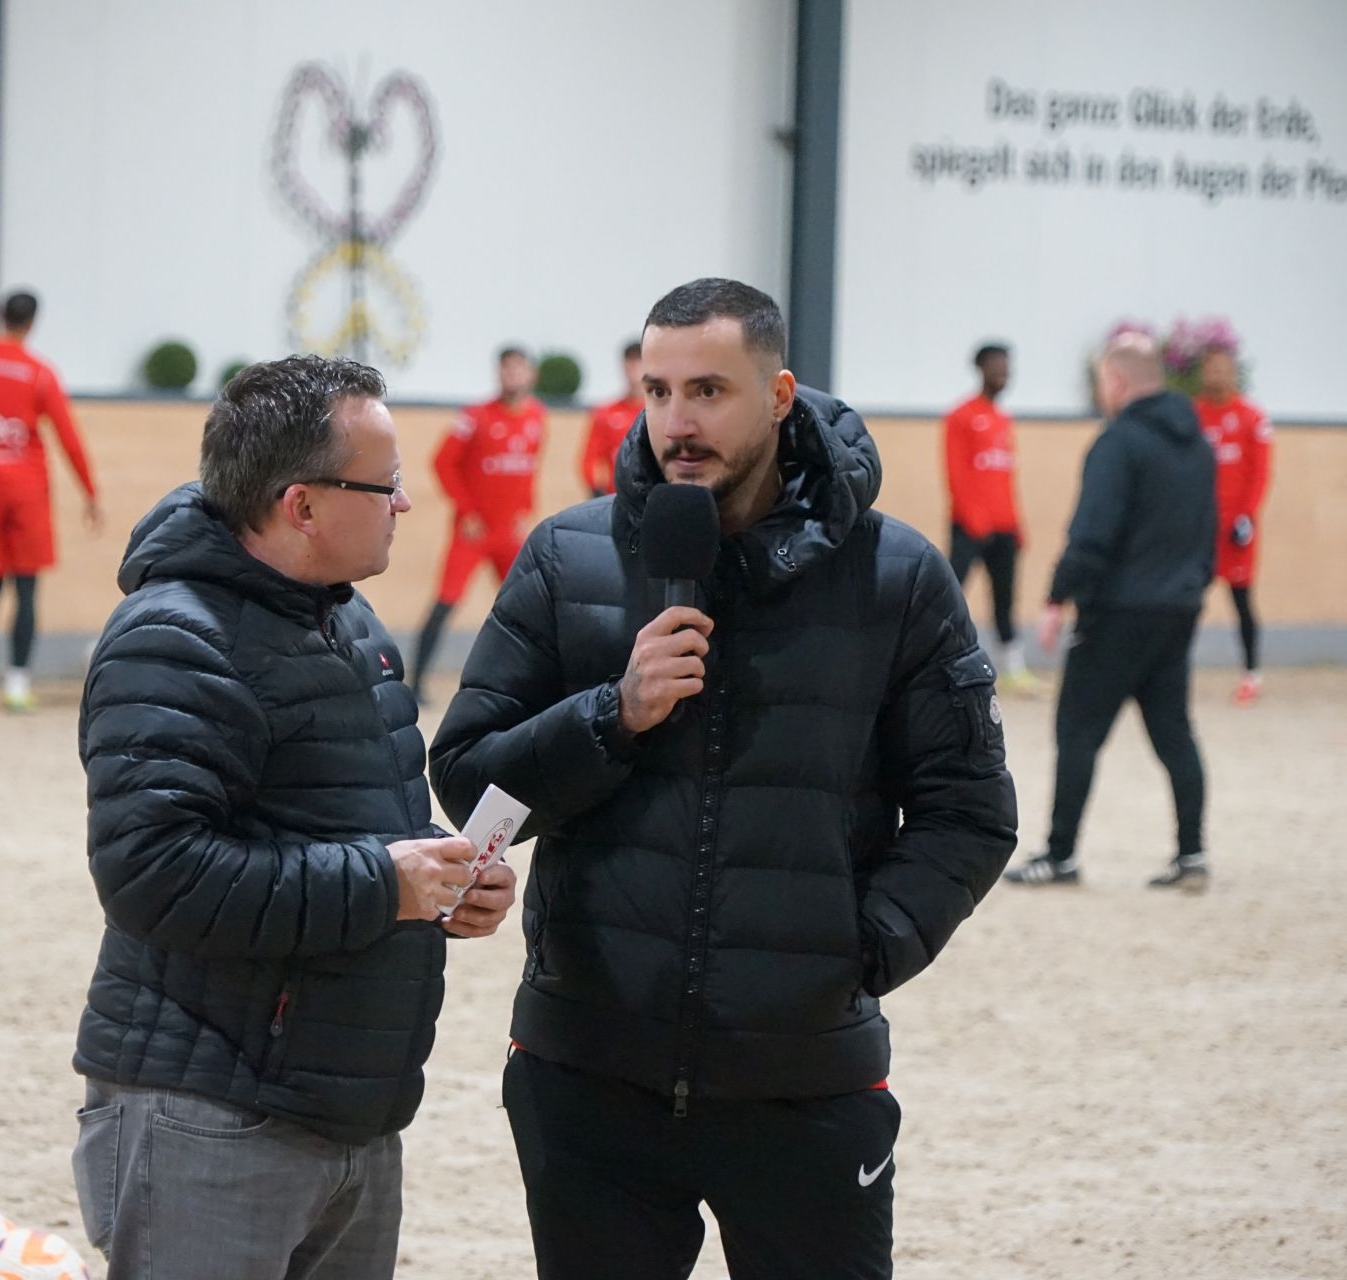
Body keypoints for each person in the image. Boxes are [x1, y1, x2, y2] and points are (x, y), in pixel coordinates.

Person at [430, 279, 1018, 1280]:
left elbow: (971, 809)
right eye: (657, 392)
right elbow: (470, 776)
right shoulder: (569, 557)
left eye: (708, 390)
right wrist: (612, 714)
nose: (677, 421)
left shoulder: (897, 575)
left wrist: (857, 949)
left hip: (806, 1078)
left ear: (780, 395)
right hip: (587, 1075)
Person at [69, 355, 517, 1280]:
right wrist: (385, 884)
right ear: (302, 504)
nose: (403, 503)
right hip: (210, 1109)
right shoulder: (174, 637)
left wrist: (442, 879)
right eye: (385, 485)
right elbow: (154, 875)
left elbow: (350, 826)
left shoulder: (350, 626)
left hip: (349, 1107)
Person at [1005, 333, 1218, 892]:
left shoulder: (1117, 443)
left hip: (1117, 612)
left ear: (1116, 381)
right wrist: (1191, 586)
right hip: (1177, 609)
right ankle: (1192, 853)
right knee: (1174, 732)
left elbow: (1092, 534)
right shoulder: (1199, 446)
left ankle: (1060, 856)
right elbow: (1209, 532)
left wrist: (1057, 597)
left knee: (1078, 730)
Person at [0, 289, 101, 713]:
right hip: (26, 492)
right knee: (26, 588)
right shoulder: (39, 373)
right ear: (31, 323)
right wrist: (89, 491)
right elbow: (67, 436)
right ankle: (16, 684)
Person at [408, 346, 546, 694]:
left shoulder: (536, 417)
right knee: (446, 601)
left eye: (518, 368)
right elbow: (442, 462)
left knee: (528, 607)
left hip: (509, 533)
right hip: (473, 533)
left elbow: (530, 468)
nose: (511, 375)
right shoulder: (474, 416)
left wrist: (525, 509)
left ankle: (532, 684)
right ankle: (417, 683)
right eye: (506, 368)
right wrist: (467, 512)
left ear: (531, 375)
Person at [945, 342, 1037, 693]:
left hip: (1004, 528)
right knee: (949, 592)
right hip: (970, 527)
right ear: (981, 368)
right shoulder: (961, 415)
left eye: (1007, 367)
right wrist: (974, 519)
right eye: (997, 366)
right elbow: (956, 472)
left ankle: (1012, 669)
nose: (1004, 373)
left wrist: (1016, 525)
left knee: (1005, 600)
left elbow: (1006, 479)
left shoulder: (1003, 420)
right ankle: (933, 658)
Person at [1194, 345, 1273, 705]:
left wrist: (1247, 516)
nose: (1217, 376)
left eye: (1223, 369)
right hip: (1201, 528)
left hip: (1236, 529)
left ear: (1234, 373)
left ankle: (1251, 675)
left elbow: (1260, 473)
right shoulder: (1192, 415)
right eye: (1211, 369)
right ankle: (1171, 671)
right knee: (1185, 601)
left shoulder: (1251, 417)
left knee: (1242, 601)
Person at [580, 340, 645, 498]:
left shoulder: (660, 412)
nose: (634, 367)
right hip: (616, 497)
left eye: (639, 360)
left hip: (651, 499)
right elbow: (589, 459)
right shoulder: (606, 413)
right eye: (630, 361)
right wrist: (596, 491)